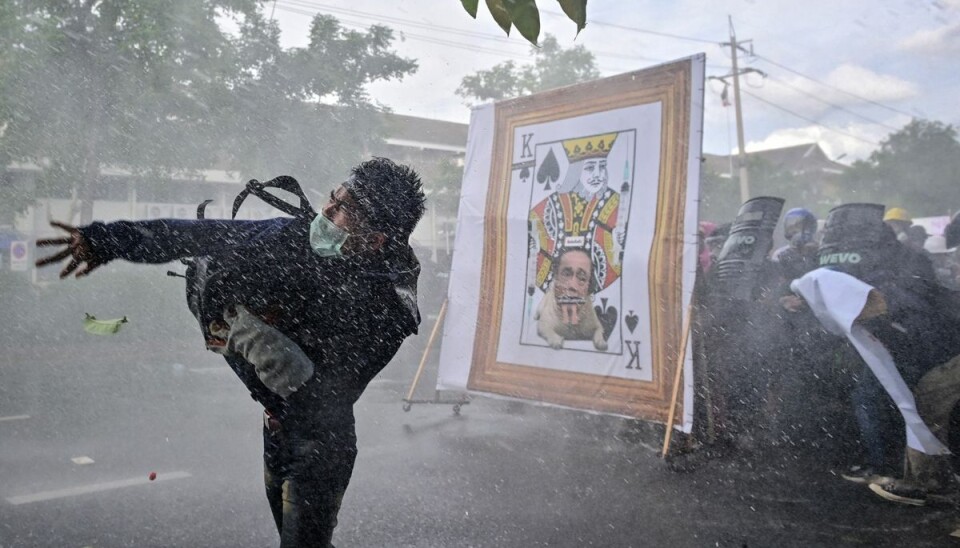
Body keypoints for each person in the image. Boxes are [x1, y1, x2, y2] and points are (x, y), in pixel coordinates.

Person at [35, 157, 426, 547]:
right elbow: (201, 235)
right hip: (277, 430)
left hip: (321, 447)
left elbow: (328, 394)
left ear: (375, 240)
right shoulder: (292, 239)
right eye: (333, 198)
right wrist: (106, 240)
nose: (327, 211)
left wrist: (264, 344)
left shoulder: (387, 307)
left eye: (344, 210)